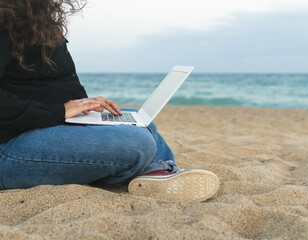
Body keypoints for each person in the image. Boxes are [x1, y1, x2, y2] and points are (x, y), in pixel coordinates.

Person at [0, 0, 219, 203]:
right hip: (10, 146)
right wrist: (58, 111)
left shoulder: (37, 19)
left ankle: (161, 172)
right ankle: (151, 172)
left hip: (42, 127)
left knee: (138, 121)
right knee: (137, 142)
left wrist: (86, 104)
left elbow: (49, 81)